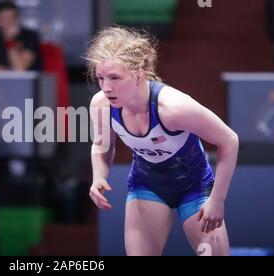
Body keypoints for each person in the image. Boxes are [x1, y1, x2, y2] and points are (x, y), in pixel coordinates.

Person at [86, 27, 239, 256]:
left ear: (139, 74)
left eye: (115, 78)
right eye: (101, 78)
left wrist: (217, 199)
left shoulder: (173, 108)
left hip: (195, 188)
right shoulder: (101, 105)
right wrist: (99, 176)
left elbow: (229, 140)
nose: (107, 87)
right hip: (147, 185)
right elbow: (102, 143)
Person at [0, 0, 42, 71]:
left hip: (25, 81)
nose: (7, 23)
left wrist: (10, 41)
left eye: (10, 18)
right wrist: (7, 71)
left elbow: (20, 68)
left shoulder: (29, 36)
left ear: (17, 18)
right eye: (3, 19)